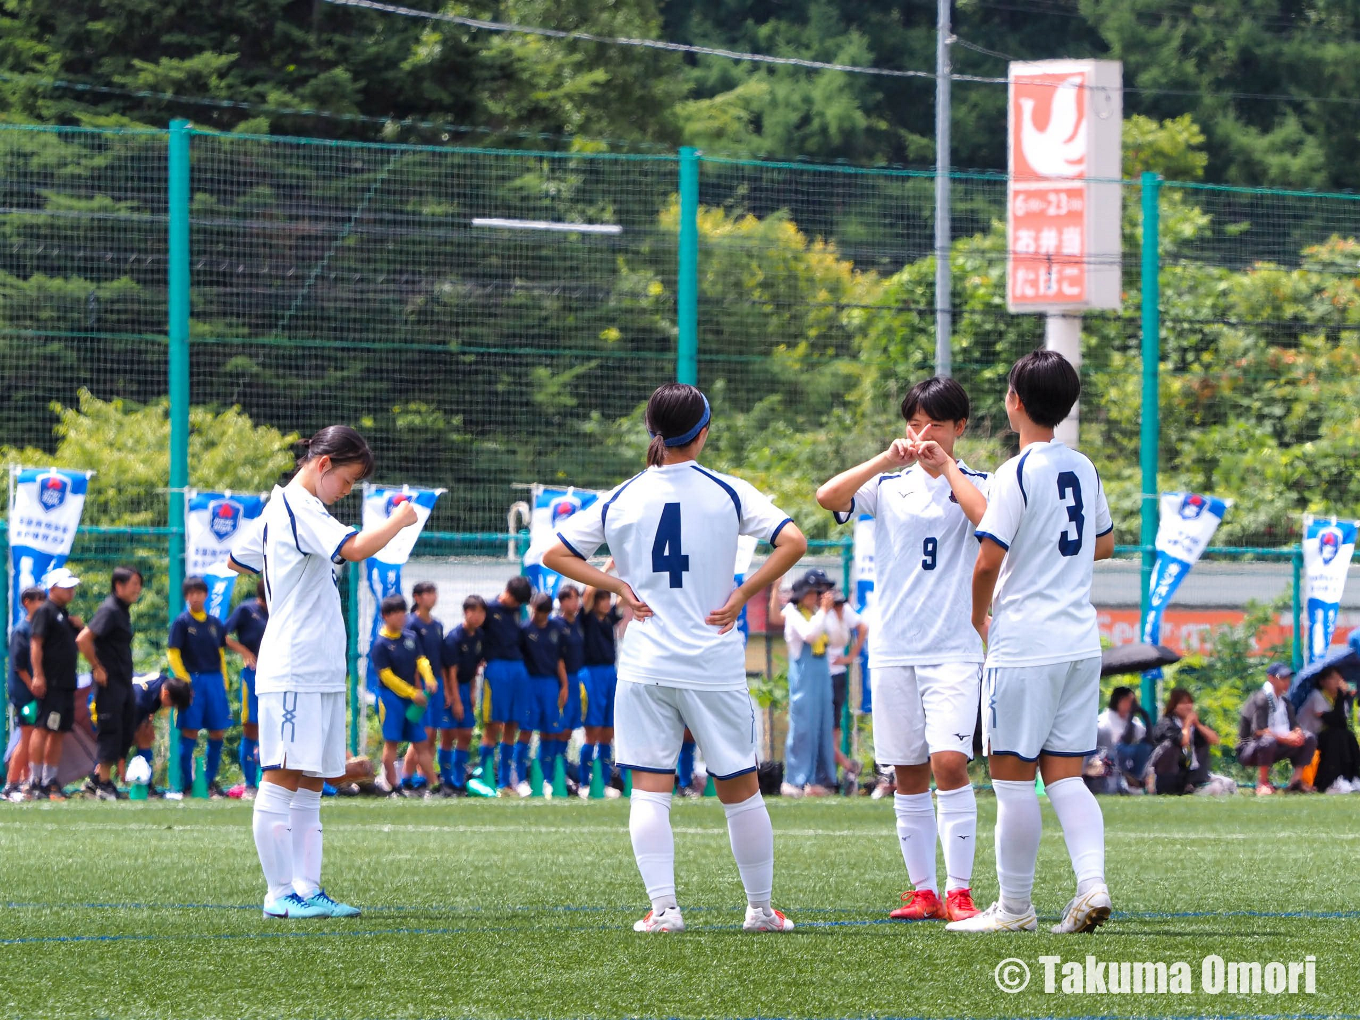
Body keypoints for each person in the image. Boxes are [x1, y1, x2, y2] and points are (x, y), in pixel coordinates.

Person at [542, 382, 808, 934]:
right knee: (740, 787)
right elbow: (794, 541)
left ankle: (664, 910)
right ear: (703, 432)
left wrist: (616, 586)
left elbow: (554, 553)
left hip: (645, 664)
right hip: (712, 662)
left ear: (651, 431)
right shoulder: (728, 491)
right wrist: (741, 593)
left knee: (650, 787)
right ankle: (760, 910)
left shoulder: (624, 495)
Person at [946, 350, 1116, 935]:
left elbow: (986, 560)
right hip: (1079, 643)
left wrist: (978, 619)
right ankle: (1091, 885)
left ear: (1014, 401)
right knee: (1066, 776)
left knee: (1013, 779)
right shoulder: (1084, 466)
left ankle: (1015, 909)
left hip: (1025, 644)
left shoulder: (1015, 471)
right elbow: (1104, 544)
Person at [817, 375, 991, 923]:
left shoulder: (979, 482)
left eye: (935, 424)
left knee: (949, 762)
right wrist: (881, 459)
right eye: (915, 424)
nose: (923, 434)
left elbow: (988, 521)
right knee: (907, 772)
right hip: (893, 649)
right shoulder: (888, 487)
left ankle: (960, 891)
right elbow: (828, 496)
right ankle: (923, 892)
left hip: (956, 648)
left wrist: (949, 469)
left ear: (959, 427)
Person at [229, 424, 418, 919]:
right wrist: (399, 520)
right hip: (294, 664)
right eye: (348, 482)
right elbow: (353, 549)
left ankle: (307, 889)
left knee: (311, 781)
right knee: (282, 776)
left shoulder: (282, 510)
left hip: (318, 665)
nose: (347, 492)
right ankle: (277, 893)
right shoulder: (298, 507)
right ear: (324, 464)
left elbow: (236, 559)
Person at [76, 566, 144, 800]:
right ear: (119, 586)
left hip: (123, 681)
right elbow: (83, 639)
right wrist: (97, 667)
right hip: (109, 683)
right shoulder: (110, 609)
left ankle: (97, 781)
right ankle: (104, 784)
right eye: (134, 584)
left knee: (125, 730)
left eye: (139, 584)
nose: (138, 589)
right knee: (111, 730)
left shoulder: (122, 610)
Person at [168, 576, 230, 798]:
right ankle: (187, 785)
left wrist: (224, 679)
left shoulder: (215, 624)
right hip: (193, 682)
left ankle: (209, 782)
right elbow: (173, 653)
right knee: (189, 732)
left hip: (214, 681)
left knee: (217, 731)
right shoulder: (182, 622)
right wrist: (184, 679)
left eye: (199, 592)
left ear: (205, 595)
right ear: (186, 597)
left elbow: (221, 653)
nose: (194, 597)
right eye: (190, 593)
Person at [26, 568, 86, 801]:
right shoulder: (46, 612)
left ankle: (51, 781)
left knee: (59, 731)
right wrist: (38, 675)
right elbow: (36, 644)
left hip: (66, 683)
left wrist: (79, 626)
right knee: (43, 728)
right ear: (52, 589)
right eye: (66, 586)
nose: (71, 590)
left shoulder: (63, 614)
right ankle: (34, 781)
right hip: (51, 682)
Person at [371, 594, 438, 797]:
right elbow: (387, 677)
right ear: (385, 616)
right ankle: (393, 786)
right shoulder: (380, 644)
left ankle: (434, 785)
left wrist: (429, 677)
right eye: (395, 613)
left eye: (402, 612)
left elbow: (421, 659)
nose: (401, 617)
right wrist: (412, 692)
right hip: (390, 698)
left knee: (421, 742)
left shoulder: (410, 637)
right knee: (392, 742)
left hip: (412, 698)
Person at [778, 572, 837, 798]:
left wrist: (827, 613)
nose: (817, 597)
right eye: (813, 593)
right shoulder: (792, 613)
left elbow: (838, 638)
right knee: (804, 725)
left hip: (822, 673)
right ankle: (796, 779)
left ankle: (822, 778)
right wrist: (823, 611)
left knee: (823, 724)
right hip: (804, 675)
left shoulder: (818, 613)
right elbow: (809, 635)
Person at [478, 576, 533, 795]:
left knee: (513, 724)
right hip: (497, 669)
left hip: (518, 669)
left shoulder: (517, 612)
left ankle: (505, 781)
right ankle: (485, 776)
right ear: (508, 593)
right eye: (517, 601)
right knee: (493, 724)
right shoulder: (489, 609)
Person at [1237, 662, 1318, 795]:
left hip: (1277, 744)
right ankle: (1262, 783)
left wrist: (1298, 734)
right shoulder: (1262, 699)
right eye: (1283, 678)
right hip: (1250, 748)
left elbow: (1294, 725)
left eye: (1288, 678)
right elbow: (1259, 731)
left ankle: (1295, 782)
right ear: (1271, 678)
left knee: (1308, 737)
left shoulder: (1284, 701)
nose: (1287, 682)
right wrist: (1287, 739)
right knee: (1268, 740)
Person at [516, 591, 569, 795]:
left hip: (550, 684)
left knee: (550, 731)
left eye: (542, 612)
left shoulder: (556, 628)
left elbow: (559, 659)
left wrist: (564, 685)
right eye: (536, 611)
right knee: (526, 730)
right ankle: (520, 779)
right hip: (530, 683)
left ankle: (545, 777)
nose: (537, 616)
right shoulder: (523, 629)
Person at [579, 576, 623, 795]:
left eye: (608, 599)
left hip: (610, 673)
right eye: (603, 599)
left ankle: (604, 781)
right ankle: (584, 782)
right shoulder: (586, 619)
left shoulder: (609, 619)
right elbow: (588, 593)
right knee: (592, 730)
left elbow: (624, 596)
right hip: (591, 674)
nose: (607, 603)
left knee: (609, 731)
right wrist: (606, 568)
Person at [440, 594, 486, 795]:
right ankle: (447, 779)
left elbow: (476, 668)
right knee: (448, 734)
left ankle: (459, 777)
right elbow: (450, 673)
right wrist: (454, 699)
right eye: (474, 611)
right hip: (452, 687)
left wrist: (473, 693)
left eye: (482, 612)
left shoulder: (479, 637)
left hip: (467, 687)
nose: (478, 616)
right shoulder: (454, 637)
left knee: (466, 732)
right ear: (466, 612)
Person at [4, 586, 46, 800]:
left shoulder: (38, 628)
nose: (43, 603)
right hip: (25, 693)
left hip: (33, 692)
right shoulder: (22, 629)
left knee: (32, 735)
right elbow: (19, 666)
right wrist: (34, 687)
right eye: (40, 599)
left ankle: (24, 781)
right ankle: (11, 784)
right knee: (27, 735)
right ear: (27, 602)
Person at [402, 581, 445, 792]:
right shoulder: (411, 625)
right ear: (417, 597)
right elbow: (411, 659)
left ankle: (422, 777)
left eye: (434, 592)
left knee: (432, 734)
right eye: (428, 593)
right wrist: (417, 687)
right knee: (421, 735)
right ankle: (406, 779)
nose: (433, 597)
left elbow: (440, 659)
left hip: (437, 685)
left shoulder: (437, 626)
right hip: (420, 687)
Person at [548, 584, 588, 791]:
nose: (576, 603)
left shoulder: (579, 622)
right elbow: (557, 658)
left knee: (570, 728)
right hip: (562, 681)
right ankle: (550, 773)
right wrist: (563, 684)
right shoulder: (556, 624)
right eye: (572, 599)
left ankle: (562, 770)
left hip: (576, 680)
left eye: (577, 598)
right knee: (558, 727)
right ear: (562, 602)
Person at [1146, 688, 1222, 795]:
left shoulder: (1194, 726)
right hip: (1169, 776)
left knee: (1224, 785)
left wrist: (1198, 725)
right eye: (1183, 703)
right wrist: (1187, 723)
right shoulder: (1166, 724)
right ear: (1174, 706)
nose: (1188, 706)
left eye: (1190, 702)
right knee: (1169, 746)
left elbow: (1215, 739)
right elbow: (1183, 741)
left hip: (1193, 775)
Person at [826, 592, 866, 791]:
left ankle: (844, 769)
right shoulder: (820, 612)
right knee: (820, 727)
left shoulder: (844, 613)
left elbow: (862, 627)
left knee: (833, 727)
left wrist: (850, 656)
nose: (839, 608)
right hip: (817, 675)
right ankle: (848, 766)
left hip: (836, 673)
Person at [1297, 666, 1360, 794]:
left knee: (1348, 736)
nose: (1338, 681)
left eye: (1339, 678)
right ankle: (1331, 781)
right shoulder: (1317, 696)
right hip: (1309, 736)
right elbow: (1332, 721)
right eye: (1333, 678)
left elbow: (1341, 723)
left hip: (1328, 735)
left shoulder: (1339, 698)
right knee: (1336, 736)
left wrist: (1344, 697)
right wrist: (1342, 697)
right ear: (1322, 682)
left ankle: (1352, 777)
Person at [130, 671, 194, 794]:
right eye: (173, 704)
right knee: (137, 738)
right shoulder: (141, 702)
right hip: (108, 708)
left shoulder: (163, 682)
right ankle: (99, 780)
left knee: (146, 735)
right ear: (166, 693)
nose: (171, 707)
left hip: (127, 705)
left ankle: (146, 783)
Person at [1096, 686, 1152, 784]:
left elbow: (1148, 739)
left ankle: (1136, 779)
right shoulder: (1105, 720)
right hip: (1108, 757)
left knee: (1145, 747)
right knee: (1124, 749)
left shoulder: (1134, 720)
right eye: (1128, 700)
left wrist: (1144, 715)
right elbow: (1122, 742)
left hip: (1130, 762)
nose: (1131, 704)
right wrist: (1130, 720)